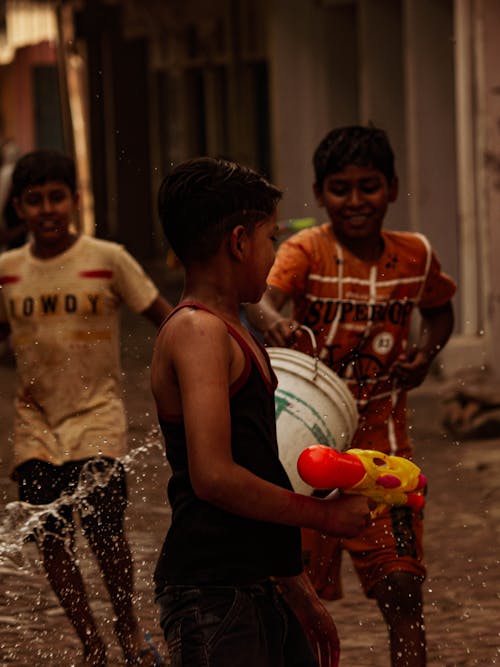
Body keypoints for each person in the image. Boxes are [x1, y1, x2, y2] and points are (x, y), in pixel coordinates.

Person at [245, 125, 456, 667]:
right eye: (342, 189)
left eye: (369, 187)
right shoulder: (304, 250)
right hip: (306, 455)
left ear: (392, 187)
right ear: (321, 192)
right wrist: (276, 326)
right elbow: (260, 301)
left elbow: (439, 311)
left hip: (385, 453)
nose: (356, 201)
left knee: (404, 593)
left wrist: (425, 355)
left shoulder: (416, 255)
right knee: (290, 599)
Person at [151, 156, 372, 667]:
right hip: (211, 591)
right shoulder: (197, 332)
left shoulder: (231, 331)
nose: (274, 254)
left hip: (257, 582)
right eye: (271, 237)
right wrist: (325, 516)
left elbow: (258, 461)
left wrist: (296, 588)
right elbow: (214, 477)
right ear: (238, 241)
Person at [0, 149, 173, 666]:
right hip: (35, 427)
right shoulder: (7, 272)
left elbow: (165, 317)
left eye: (57, 197)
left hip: (99, 417)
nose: (48, 209)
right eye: (35, 201)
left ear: (75, 200)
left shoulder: (108, 258)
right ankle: (91, 643)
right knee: (51, 540)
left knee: (106, 536)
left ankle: (125, 626)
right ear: (19, 208)